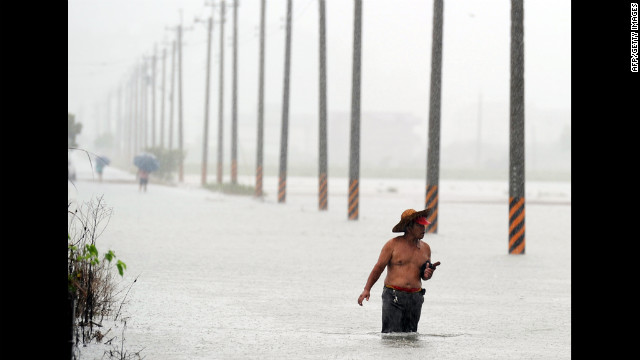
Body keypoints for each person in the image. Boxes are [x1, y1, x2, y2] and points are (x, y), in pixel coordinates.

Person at [357, 208, 441, 333]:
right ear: (408, 226)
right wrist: (367, 289)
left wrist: (428, 274)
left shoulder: (425, 248)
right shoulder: (392, 245)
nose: (424, 229)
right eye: (419, 226)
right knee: (391, 337)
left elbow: (424, 275)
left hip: (415, 297)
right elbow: (378, 268)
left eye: (424, 226)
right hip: (393, 296)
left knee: (411, 337)